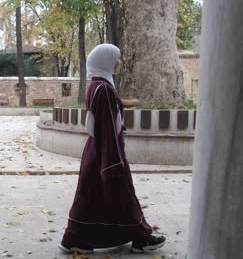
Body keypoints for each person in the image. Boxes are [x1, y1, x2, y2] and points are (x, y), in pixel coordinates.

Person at [58, 44, 166, 254]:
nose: (120, 62)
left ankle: (74, 238)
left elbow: (106, 113)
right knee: (121, 194)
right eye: (116, 58)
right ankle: (140, 237)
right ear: (105, 61)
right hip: (106, 152)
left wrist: (124, 103)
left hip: (98, 152)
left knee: (91, 198)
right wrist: (113, 162)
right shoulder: (104, 89)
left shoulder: (97, 86)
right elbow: (107, 127)